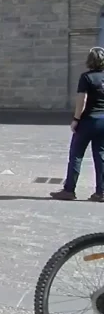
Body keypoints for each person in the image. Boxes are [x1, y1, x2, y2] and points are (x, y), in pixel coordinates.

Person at [51, 47, 104, 201]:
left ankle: (69, 190)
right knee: (100, 156)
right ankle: (101, 192)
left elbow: (82, 100)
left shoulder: (86, 78)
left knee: (76, 155)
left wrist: (76, 119)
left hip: (88, 121)